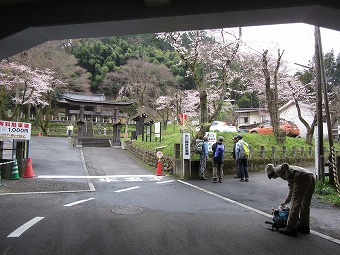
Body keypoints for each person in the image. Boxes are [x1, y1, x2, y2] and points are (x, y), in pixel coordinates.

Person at [265, 163, 316, 237]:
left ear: (272, 173)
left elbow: (285, 165)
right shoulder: (284, 173)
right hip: (310, 176)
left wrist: (290, 176)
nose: (273, 178)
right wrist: (286, 201)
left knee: (295, 203)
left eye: (271, 176)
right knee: (305, 204)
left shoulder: (277, 170)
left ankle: (291, 228)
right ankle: (304, 226)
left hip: (301, 177)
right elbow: (291, 188)